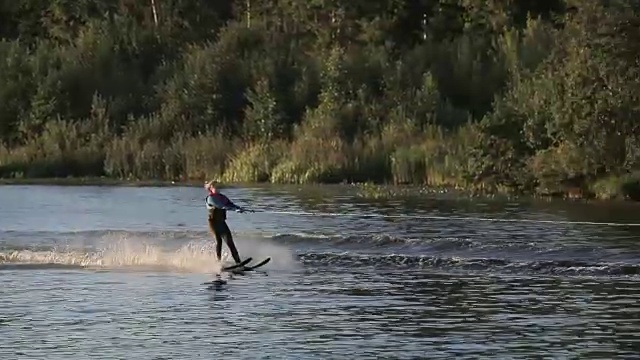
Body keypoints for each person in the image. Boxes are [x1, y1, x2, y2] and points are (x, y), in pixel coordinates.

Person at [204, 180, 252, 265]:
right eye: (216, 187)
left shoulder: (223, 197)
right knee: (219, 242)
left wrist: (240, 208)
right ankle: (218, 263)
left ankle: (238, 263)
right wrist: (234, 209)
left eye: (219, 187)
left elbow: (231, 204)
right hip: (213, 224)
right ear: (211, 188)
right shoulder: (210, 198)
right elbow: (221, 206)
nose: (218, 189)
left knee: (230, 243)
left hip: (222, 223)